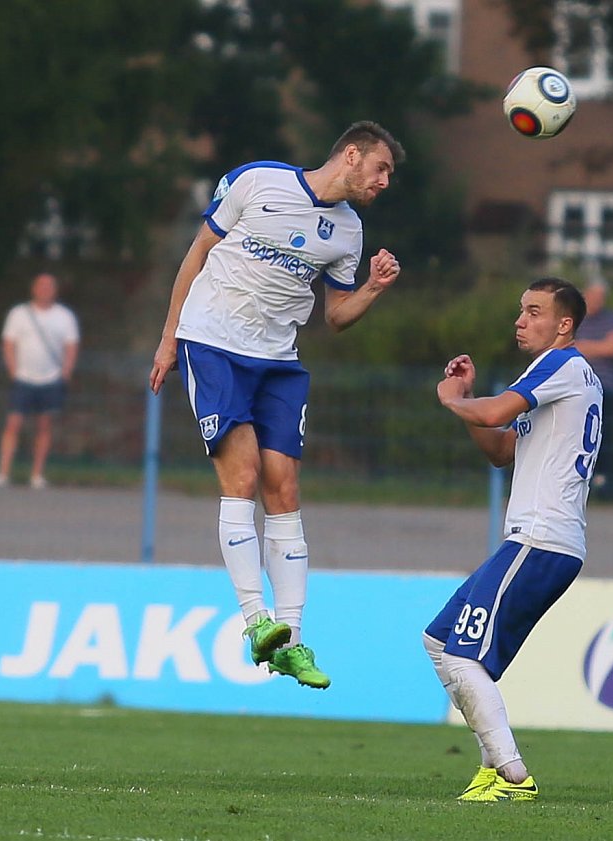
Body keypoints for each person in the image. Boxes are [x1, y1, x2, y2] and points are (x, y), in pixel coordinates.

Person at [149, 121, 406, 691]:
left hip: (279, 360)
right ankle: (255, 621)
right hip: (213, 343)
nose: (384, 181)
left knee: (284, 489)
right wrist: (169, 339)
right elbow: (197, 255)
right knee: (241, 477)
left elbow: (335, 316)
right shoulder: (257, 181)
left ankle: (290, 642)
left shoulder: (349, 231)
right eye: (381, 168)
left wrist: (373, 287)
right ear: (352, 154)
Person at [423, 277, 602, 802]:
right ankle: (492, 769)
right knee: (441, 641)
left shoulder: (560, 364)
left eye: (534, 311)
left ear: (564, 325)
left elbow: (494, 412)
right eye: (521, 310)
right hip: (540, 542)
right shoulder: (564, 374)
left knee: (462, 657)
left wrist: (453, 400)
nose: (521, 321)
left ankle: (511, 774)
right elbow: (502, 449)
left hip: (541, 538)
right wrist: (468, 405)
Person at [0, 272, 80, 490]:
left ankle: (37, 474)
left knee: (44, 425)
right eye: (41, 286)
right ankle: (3, 472)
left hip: (51, 378)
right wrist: (13, 370)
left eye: (49, 286)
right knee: (13, 423)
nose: (45, 290)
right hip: (23, 377)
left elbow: (71, 345)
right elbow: (9, 343)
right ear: (33, 289)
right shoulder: (19, 314)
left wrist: (66, 372)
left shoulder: (64, 317)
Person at [574, 278, 613, 497]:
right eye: (593, 296)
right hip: (576, 386)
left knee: (604, 435)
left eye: (601, 297)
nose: (597, 301)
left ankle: (604, 484)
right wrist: (598, 347)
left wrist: (584, 347)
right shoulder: (575, 317)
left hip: (604, 385)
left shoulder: (611, 319)